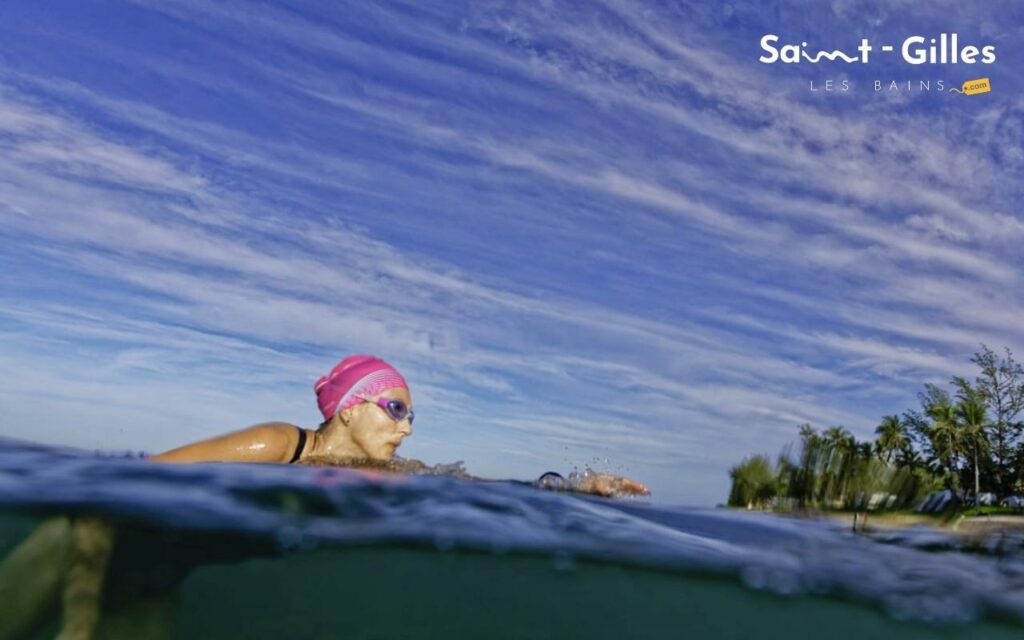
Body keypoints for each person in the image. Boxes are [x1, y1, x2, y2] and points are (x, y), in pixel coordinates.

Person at [0, 354, 649, 640]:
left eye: (411, 415)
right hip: (97, 542)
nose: (406, 428)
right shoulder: (281, 444)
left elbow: (478, 488)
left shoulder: (387, 475)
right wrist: (87, 572)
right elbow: (139, 481)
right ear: (349, 407)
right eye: (395, 409)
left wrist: (577, 489)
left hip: (155, 577)